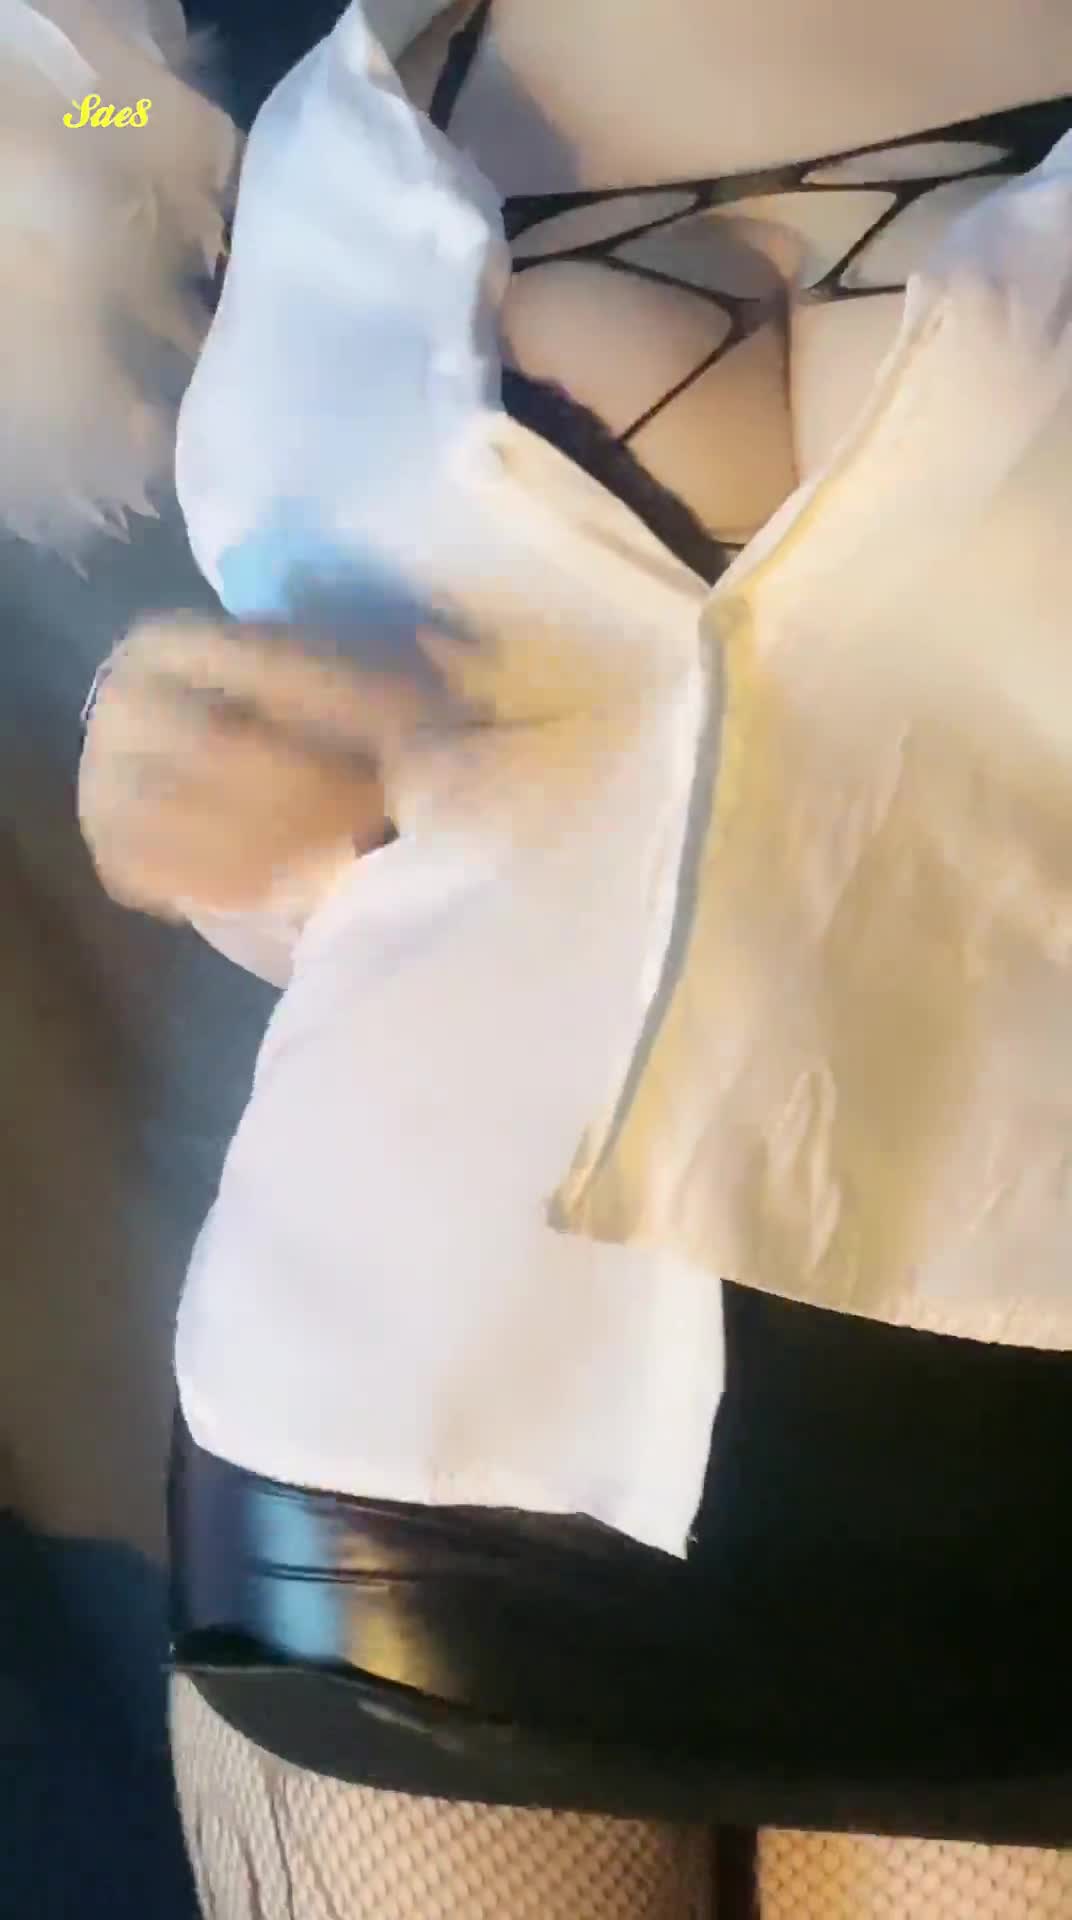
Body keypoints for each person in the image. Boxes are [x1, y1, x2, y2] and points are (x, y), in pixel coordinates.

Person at [65, 2, 1072, 1913]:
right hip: (415, 1418)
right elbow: (76, 113)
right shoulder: (271, 75)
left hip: (1020, 1424)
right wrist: (177, 772)